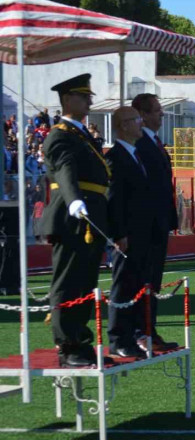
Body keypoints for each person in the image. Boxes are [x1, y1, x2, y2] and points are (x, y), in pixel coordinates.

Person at [42, 74, 109, 367]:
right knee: (68, 281)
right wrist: (74, 200)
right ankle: (66, 344)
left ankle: (80, 339)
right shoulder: (60, 134)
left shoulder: (80, 134)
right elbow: (65, 170)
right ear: (68, 99)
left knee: (85, 280)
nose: (89, 101)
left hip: (90, 215)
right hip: (72, 215)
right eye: (83, 96)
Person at [132, 93, 179, 351]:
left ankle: (150, 329)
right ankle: (140, 331)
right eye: (157, 110)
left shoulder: (154, 141)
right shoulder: (138, 143)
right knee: (144, 280)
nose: (162, 114)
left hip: (158, 222)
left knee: (154, 280)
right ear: (143, 114)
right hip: (145, 224)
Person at [105, 107, 150, 359]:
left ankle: (131, 334)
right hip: (127, 236)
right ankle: (117, 338)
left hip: (140, 233)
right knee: (122, 285)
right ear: (123, 125)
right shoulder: (116, 157)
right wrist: (119, 234)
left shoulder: (133, 154)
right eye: (136, 119)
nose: (140, 122)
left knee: (134, 284)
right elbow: (115, 200)